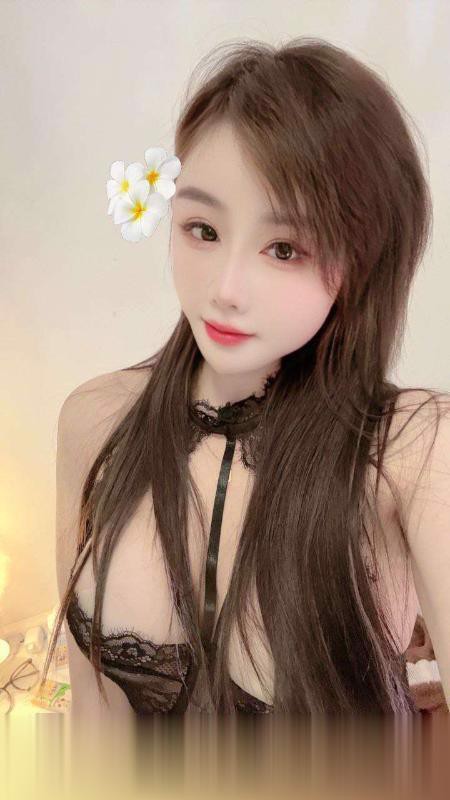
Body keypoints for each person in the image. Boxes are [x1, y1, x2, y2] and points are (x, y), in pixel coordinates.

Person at [40, 36, 450, 716]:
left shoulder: (412, 450)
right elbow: (95, 714)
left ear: (364, 260)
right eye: (202, 230)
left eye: (284, 248)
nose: (226, 289)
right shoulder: (94, 421)